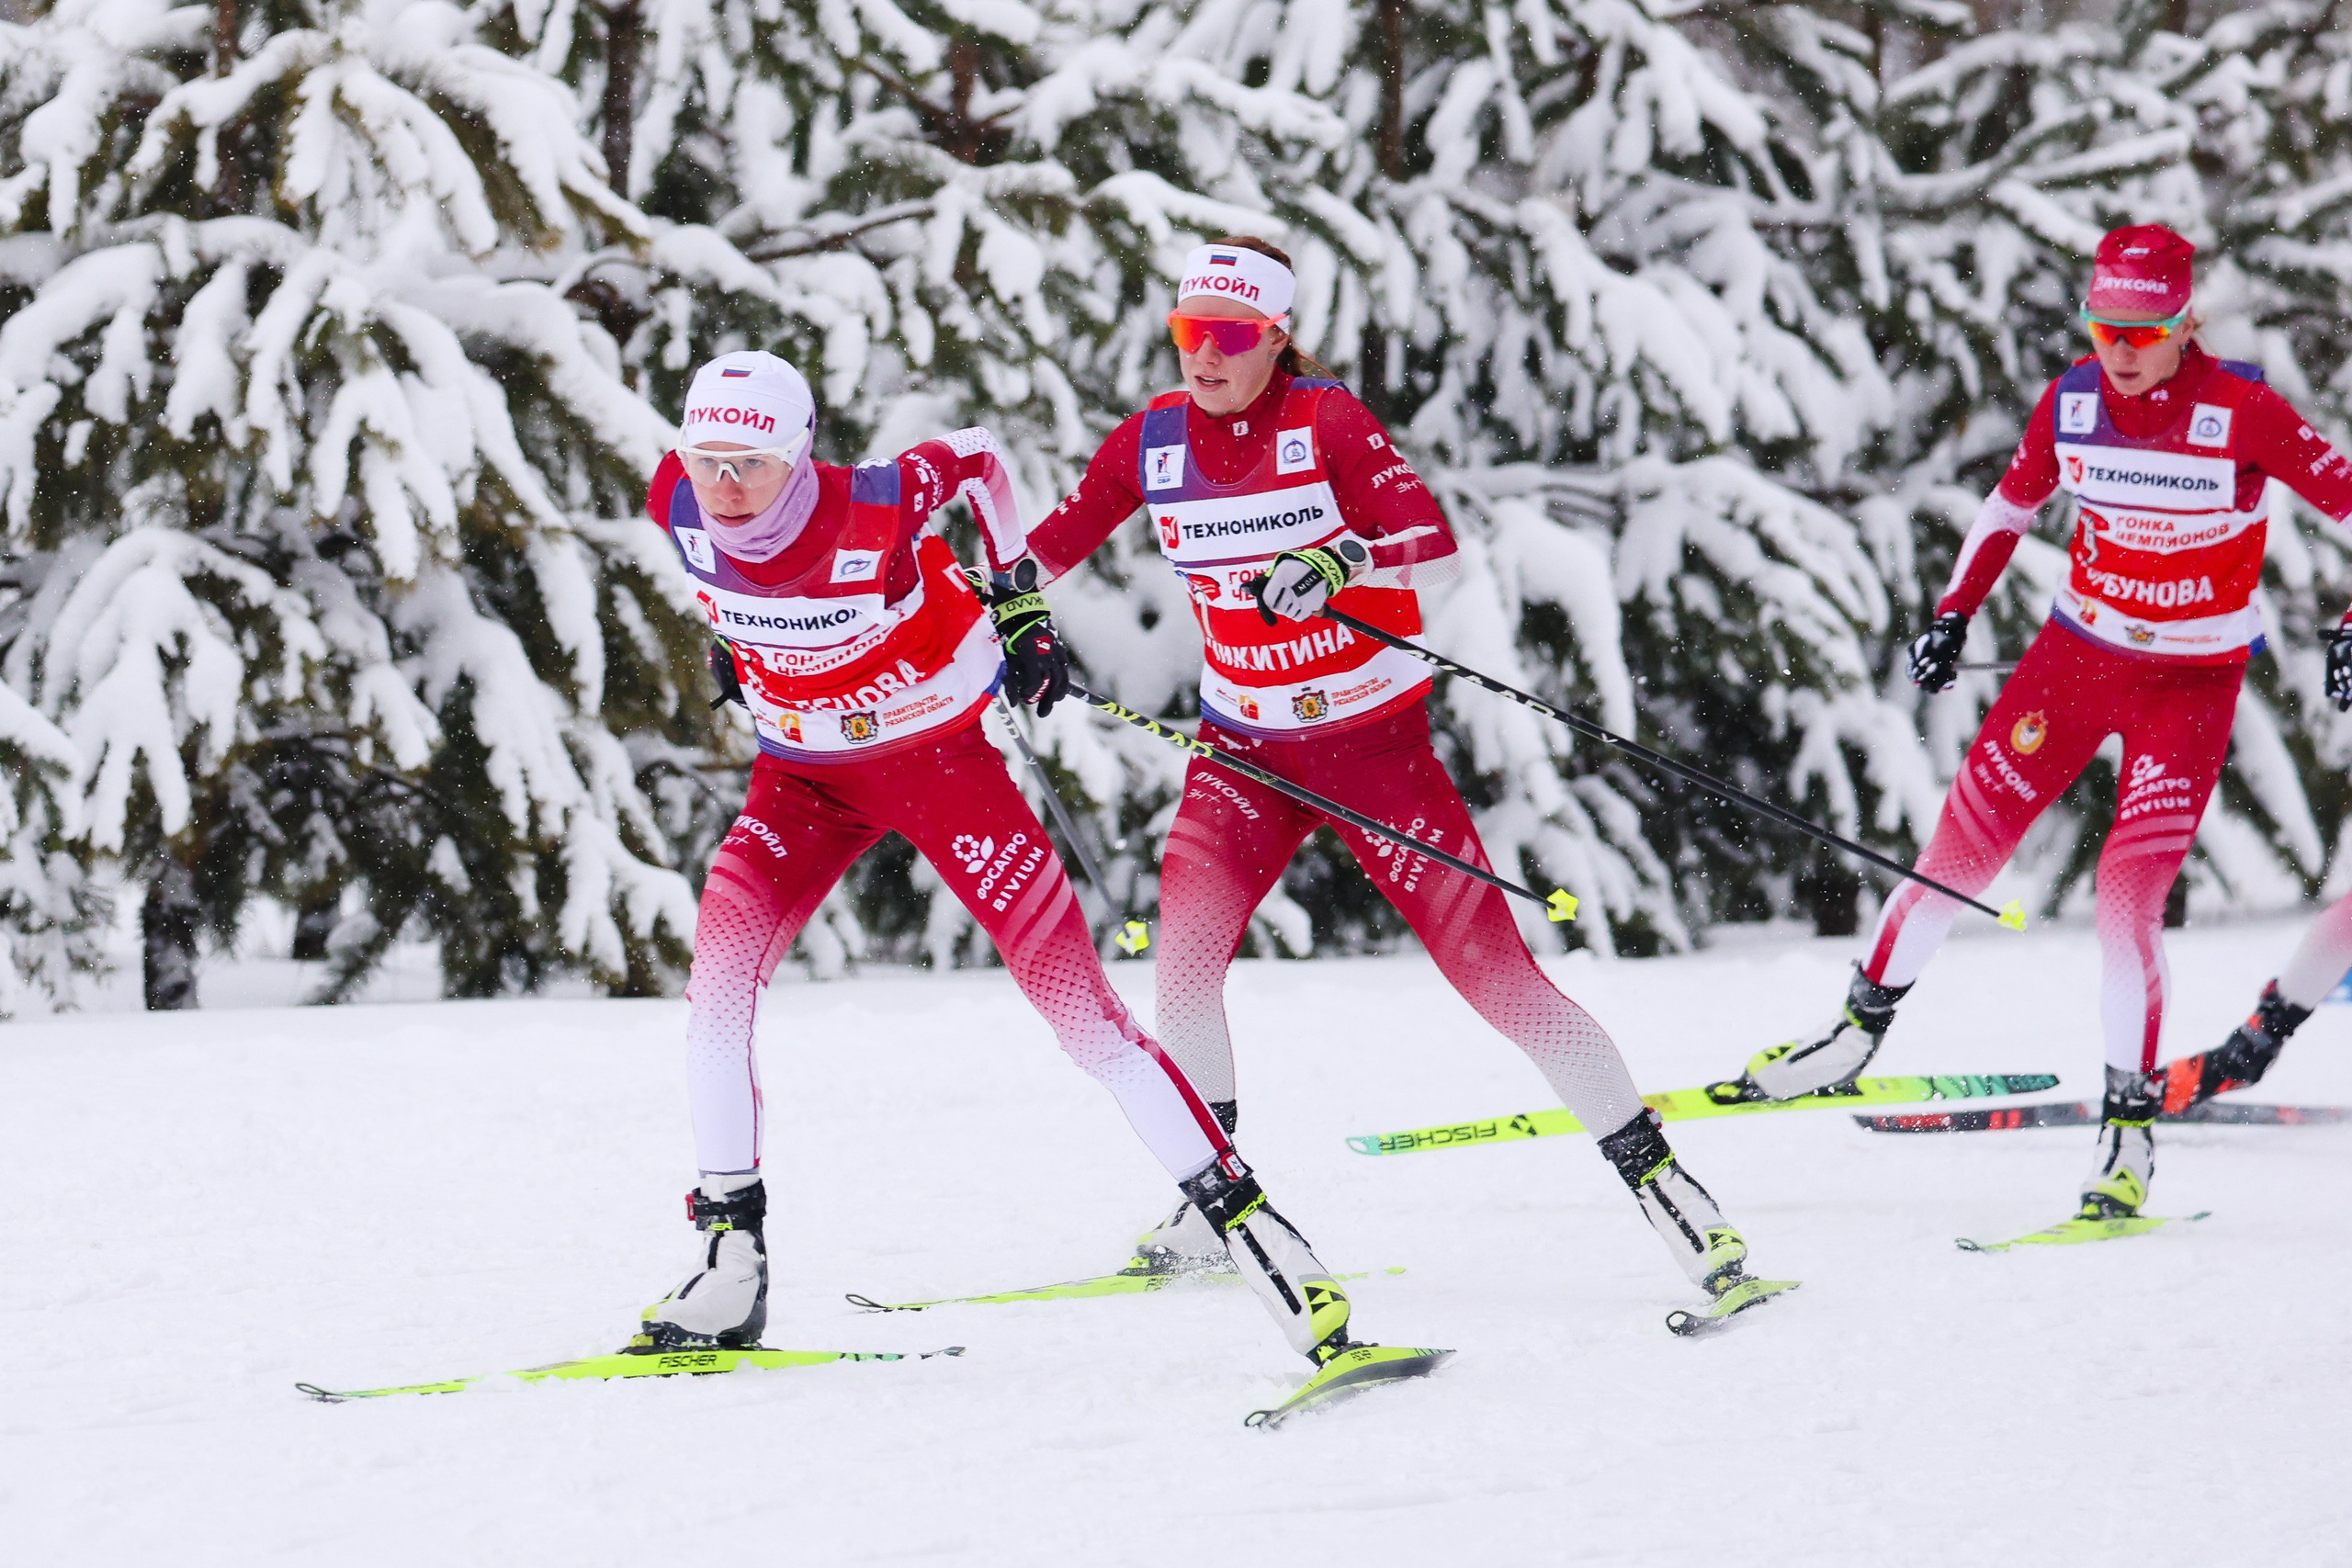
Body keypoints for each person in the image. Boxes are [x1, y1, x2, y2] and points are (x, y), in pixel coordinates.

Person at [1025, 239, 1770, 1308]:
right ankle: (1211, 1199)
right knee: (1181, 969)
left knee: (1502, 984)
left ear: (1277, 339)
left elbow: (1426, 531)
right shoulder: (1153, 437)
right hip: (1240, 751)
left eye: (1230, 337)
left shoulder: (1322, 420)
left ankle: (1669, 1191)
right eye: (1191, 333)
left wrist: (1337, 558)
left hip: (1371, 750)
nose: (1205, 355)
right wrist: (1008, 595)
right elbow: (1067, 531)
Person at [632, 349, 1379, 1375]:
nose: (723, 484)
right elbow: (728, 576)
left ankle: (1261, 1238)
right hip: (799, 781)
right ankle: (729, 1262)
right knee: (714, 994)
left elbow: (982, 460)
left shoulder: (882, 502)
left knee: (1084, 1020)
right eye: (706, 457)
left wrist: (1018, 597)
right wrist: (738, 640)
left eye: (750, 462)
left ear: (800, 455)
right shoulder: (673, 498)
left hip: (938, 766)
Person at [1719, 224, 2352, 1218]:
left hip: (2186, 691)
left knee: (2124, 900)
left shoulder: (2242, 411)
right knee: (1953, 864)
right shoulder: (2072, 401)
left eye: (2145, 328)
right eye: (2106, 327)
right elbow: (2007, 509)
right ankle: (1850, 1037)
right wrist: (1951, 612)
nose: (2123, 348)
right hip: (2072, 663)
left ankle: (2127, 1136)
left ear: (2184, 323)